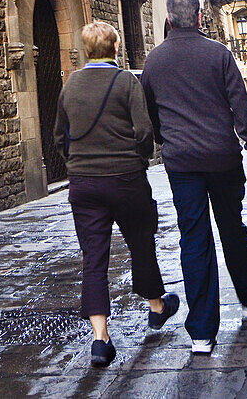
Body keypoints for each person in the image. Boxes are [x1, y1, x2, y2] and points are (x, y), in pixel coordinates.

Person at [141, 0, 247, 355]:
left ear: (168, 19)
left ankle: (201, 333)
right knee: (232, 227)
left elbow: (151, 114)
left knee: (193, 240)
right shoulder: (218, 54)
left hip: (182, 164)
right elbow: (240, 102)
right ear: (198, 18)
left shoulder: (154, 61)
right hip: (223, 158)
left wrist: (169, 141)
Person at [54, 20, 179, 368]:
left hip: (84, 185)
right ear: (114, 49)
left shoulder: (70, 86)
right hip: (125, 180)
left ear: (86, 50)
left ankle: (100, 339)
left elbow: (59, 137)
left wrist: (77, 165)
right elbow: (144, 132)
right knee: (141, 242)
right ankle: (156, 308)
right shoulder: (126, 81)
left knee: (93, 257)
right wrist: (135, 161)